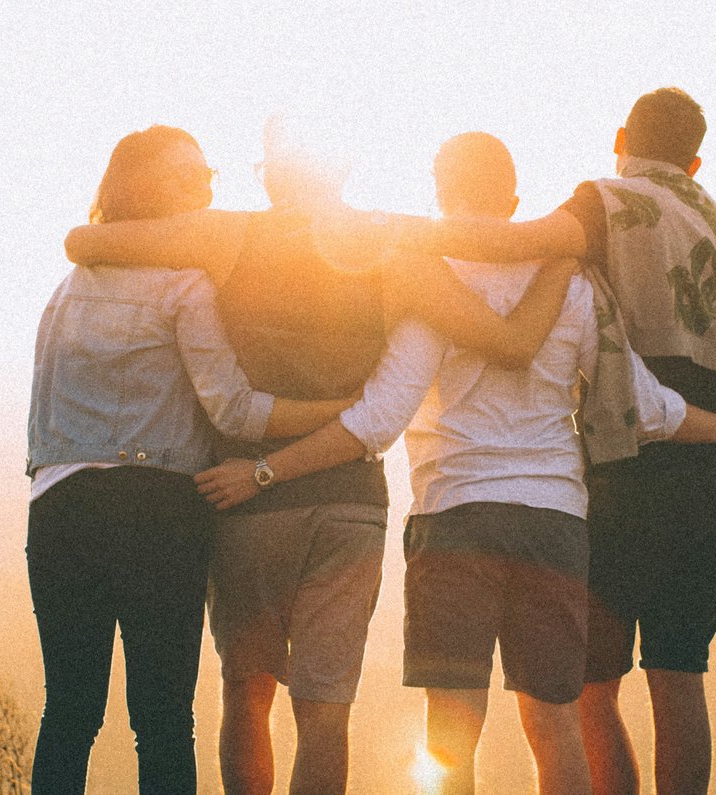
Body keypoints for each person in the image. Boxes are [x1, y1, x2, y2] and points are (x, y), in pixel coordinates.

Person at [193, 132, 716, 795]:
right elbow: (644, 405)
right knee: (555, 727)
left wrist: (268, 469)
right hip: (554, 524)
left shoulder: (431, 280)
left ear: (439, 193)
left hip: (455, 521)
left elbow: (379, 418)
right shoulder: (576, 284)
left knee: (451, 732)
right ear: (516, 198)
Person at [61, 116, 575, 795]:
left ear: (274, 174)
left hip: (245, 499)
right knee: (325, 711)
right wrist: (567, 253)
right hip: (350, 505)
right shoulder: (393, 250)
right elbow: (507, 342)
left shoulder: (226, 234)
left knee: (247, 693)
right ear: (342, 170)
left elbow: (83, 240)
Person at [24, 125, 353, 793]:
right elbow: (232, 409)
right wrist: (333, 411)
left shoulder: (67, 288)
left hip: (57, 507)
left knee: (69, 710)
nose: (206, 185)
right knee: (164, 716)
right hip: (156, 509)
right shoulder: (184, 285)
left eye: (208, 173)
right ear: (148, 189)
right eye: (189, 176)